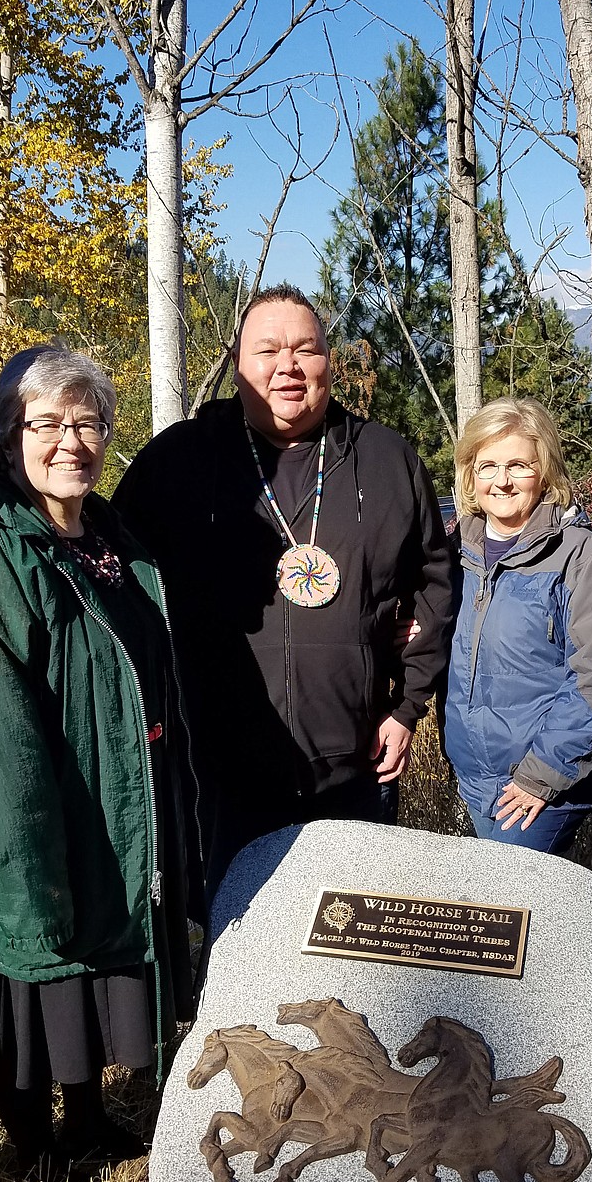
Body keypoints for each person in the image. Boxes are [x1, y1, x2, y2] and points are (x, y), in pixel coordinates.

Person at [0, 347, 203, 1178]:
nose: (70, 441)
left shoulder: (112, 538)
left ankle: (85, 1123)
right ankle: (34, 1147)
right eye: (47, 423)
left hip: (111, 802)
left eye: (88, 422)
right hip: (40, 809)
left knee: (89, 976)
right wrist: (21, 850)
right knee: (32, 967)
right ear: (9, 438)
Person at [113, 283, 453, 880]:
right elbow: (114, 577)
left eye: (306, 349)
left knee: (353, 949)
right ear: (237, 365)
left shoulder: (385, 459)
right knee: (233, 943)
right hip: (218, 769)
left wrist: (408, 707)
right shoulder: (181, 462)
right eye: (267, 351)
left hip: (356, 766)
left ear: (329, 363)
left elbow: (436, 578)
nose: (288, 367)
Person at [443, 397, 592, 854]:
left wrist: (539, 777)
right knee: (508, 915)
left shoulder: (578, 557)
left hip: (542, 784)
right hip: (476, 776)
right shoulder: (454, 552)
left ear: (544, 471)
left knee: (512, 912)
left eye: (518, 466)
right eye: (486, 466)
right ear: (470, 473)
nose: (502, 481)